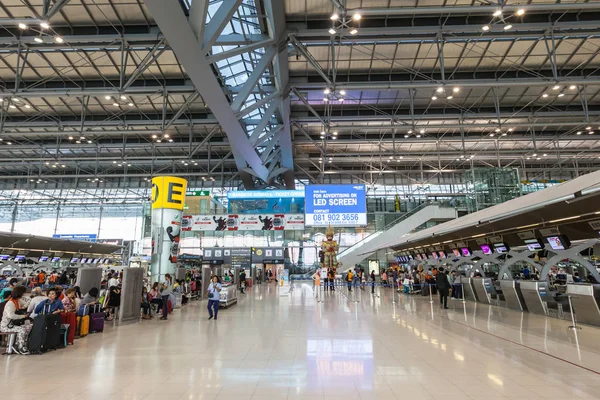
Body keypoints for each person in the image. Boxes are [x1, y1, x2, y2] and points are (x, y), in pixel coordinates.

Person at [1, 286, 32, 354]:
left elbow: (28, 302)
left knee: (28, 326)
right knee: (22, 329)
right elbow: (11, 315)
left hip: (13, 324)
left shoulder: (17, 301)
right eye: (23, 294)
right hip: (5, 326)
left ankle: (19, 343)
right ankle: (20, 347)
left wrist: (23, 306)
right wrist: (23, 316)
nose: (24, 295)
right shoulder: (10, 303)